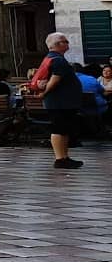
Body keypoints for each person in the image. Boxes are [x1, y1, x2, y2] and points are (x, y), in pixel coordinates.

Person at [40, 32, 83, 169]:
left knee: (63, 129)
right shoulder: (58, 60)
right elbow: (55, 80)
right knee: (59, 128)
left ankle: (64, 157)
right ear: (58, 44)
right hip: (60, 102)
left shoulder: (53, 58)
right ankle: (60, 158)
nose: (68, 44)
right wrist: (44, 93)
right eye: (65, 41)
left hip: (61, 101)